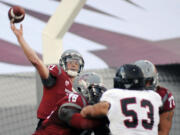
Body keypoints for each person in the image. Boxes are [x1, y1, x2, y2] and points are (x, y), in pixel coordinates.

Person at [10, 23, 84, 129]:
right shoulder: (59, 74)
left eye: (76, 63)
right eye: (70, 62)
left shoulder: (78, 90)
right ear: (63, 63)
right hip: (47, 127)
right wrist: (20, 39)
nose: (73, 65)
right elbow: (36, 62)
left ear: (80, 67)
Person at [81, 64, 162, 135]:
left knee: (100, 118)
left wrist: (89, 107)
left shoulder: (114, 94)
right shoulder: (153, 96)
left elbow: (90, 112)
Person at [33, 72, 107, 135]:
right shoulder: (77, 98)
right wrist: (98, 122)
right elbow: (68, 115)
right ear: (82, 88)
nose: (98, 94)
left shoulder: (95, 111)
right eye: (96, 90)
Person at [134, 60, 176, 135]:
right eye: (139, 81)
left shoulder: (163, 96)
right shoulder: (122, 94)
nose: (142, 85)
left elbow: (164, 132)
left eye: (146, 81)